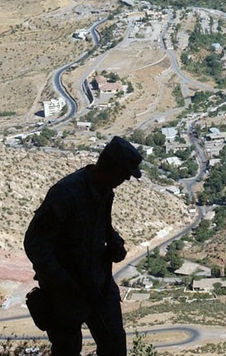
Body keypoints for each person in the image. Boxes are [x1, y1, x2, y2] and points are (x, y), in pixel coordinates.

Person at [24, 135, 143, 356]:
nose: (126, 179)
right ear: (113, 167)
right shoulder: (66, 193)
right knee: (67, 350)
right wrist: (60, 281)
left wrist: (115, 244)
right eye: (125, 172)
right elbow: (35, 243)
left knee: (114, 345)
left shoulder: (105, 192)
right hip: (65, 293)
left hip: (99, 286)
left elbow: (102, 228)